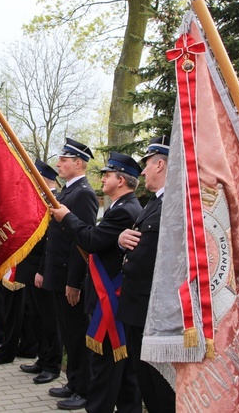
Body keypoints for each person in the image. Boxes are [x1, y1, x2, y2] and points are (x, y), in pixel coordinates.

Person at [51, 152, 143, 413]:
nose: (103, 179)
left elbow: (92, 240)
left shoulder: (126, 211)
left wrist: (68, 217)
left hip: (111, 300)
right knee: (122, 373)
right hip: (108, 298)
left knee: (105, 368)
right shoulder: (120, 208)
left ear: (122, 181)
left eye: (108, 175)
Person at [39, 138, 98, 409]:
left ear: (78, 163)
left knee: (76, 334)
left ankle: (83, 388)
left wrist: (74, 282)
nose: (59, 164)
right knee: (68, 332)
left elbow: (81, 243)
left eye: (64, 159)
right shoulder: (66, 193)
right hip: (58, 274)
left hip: (69, 277)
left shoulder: (83, 193)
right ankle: (73, 382)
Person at [117, 136, 175, 413]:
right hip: (139, 308)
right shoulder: (154, 202)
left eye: (147, 165)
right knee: (147, 384)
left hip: (154, 311)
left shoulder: (175, 205)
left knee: (160, 389)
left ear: (161, 164)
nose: (142, 172)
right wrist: (121, 240)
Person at [17, 160, 63, 382]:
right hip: (29, 266)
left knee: (49, 318)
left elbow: (50, 241)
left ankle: (52, 365)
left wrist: (42, 270)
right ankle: (42, 358)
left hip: (42, 269)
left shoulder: (54, 200)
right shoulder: (38, 198)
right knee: (36, 315)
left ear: (44, 178)